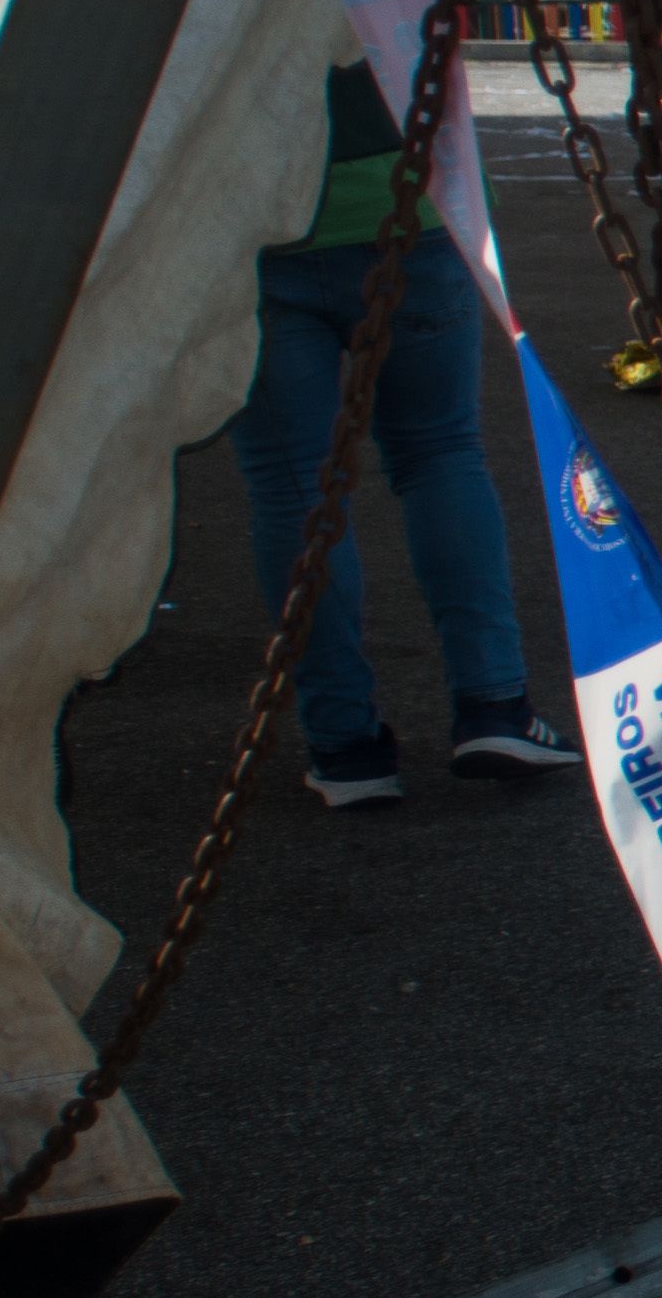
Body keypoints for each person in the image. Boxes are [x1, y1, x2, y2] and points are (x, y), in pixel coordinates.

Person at [234, 58, 567, 810]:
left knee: (293, 487)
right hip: (404, 202)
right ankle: (492, 702)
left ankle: (345, 746)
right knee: (439, 453)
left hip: (255, 217)